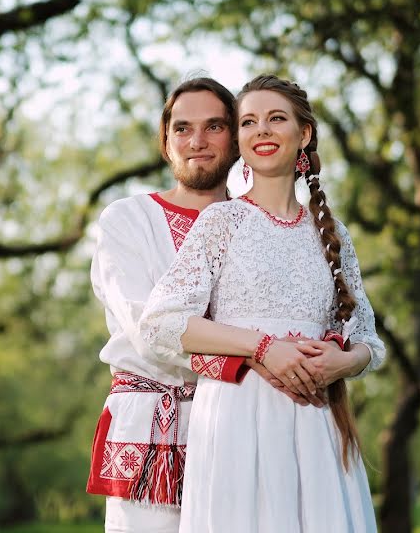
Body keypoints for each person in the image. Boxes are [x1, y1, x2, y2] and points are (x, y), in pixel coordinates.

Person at [138, 74, 387, 532]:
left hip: (316, 423)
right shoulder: (222, 222)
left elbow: (369, 339)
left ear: (304, 134)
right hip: (236, 420)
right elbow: (160, 323)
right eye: (249, 122)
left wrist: (342, 362)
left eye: (277, 119)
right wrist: (263, 346)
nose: (263, 131)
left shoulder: (332, 234)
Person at [87, 77, 326, 533]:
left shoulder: (265, 224)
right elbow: (147, 332)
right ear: (165, 141)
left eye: (214, 126)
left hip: (246, 427)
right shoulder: (127, 219)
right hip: (153, 436)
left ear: (236, 139)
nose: (196, 141)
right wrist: (260, 355)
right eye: (182, 128)